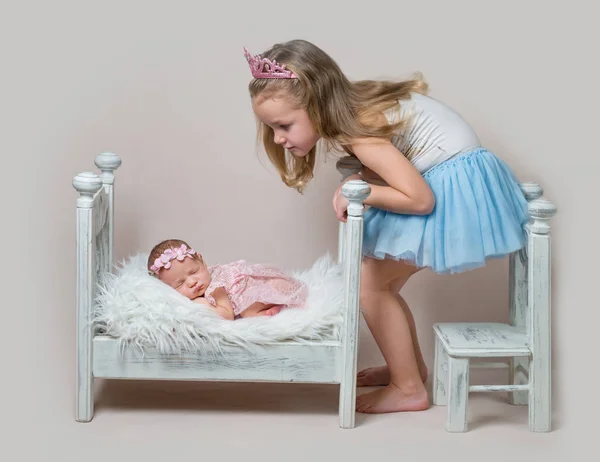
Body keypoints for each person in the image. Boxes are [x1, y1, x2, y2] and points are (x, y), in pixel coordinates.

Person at [244, 40, 529, 413]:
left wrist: (360, 190)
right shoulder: (356, 110)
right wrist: (359, 181)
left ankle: (408, 387)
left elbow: (420, 199)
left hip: (453, 185)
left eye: (284, 126)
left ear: (316, 104)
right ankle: (409, 370)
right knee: (383, 284)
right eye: (272, 128)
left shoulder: (358, 129)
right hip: (460, 175)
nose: (279, 139)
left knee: (369, 286)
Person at [148, 239, 308, 320]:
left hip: (263, 286)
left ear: (202, 261)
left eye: (194, 271)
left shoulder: (214, 287)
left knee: (247, 310)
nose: (192, 282)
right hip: (263, 286)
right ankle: (276, 307)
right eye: (180, 283)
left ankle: (272, 307)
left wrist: (201, 305)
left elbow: (227, 315)